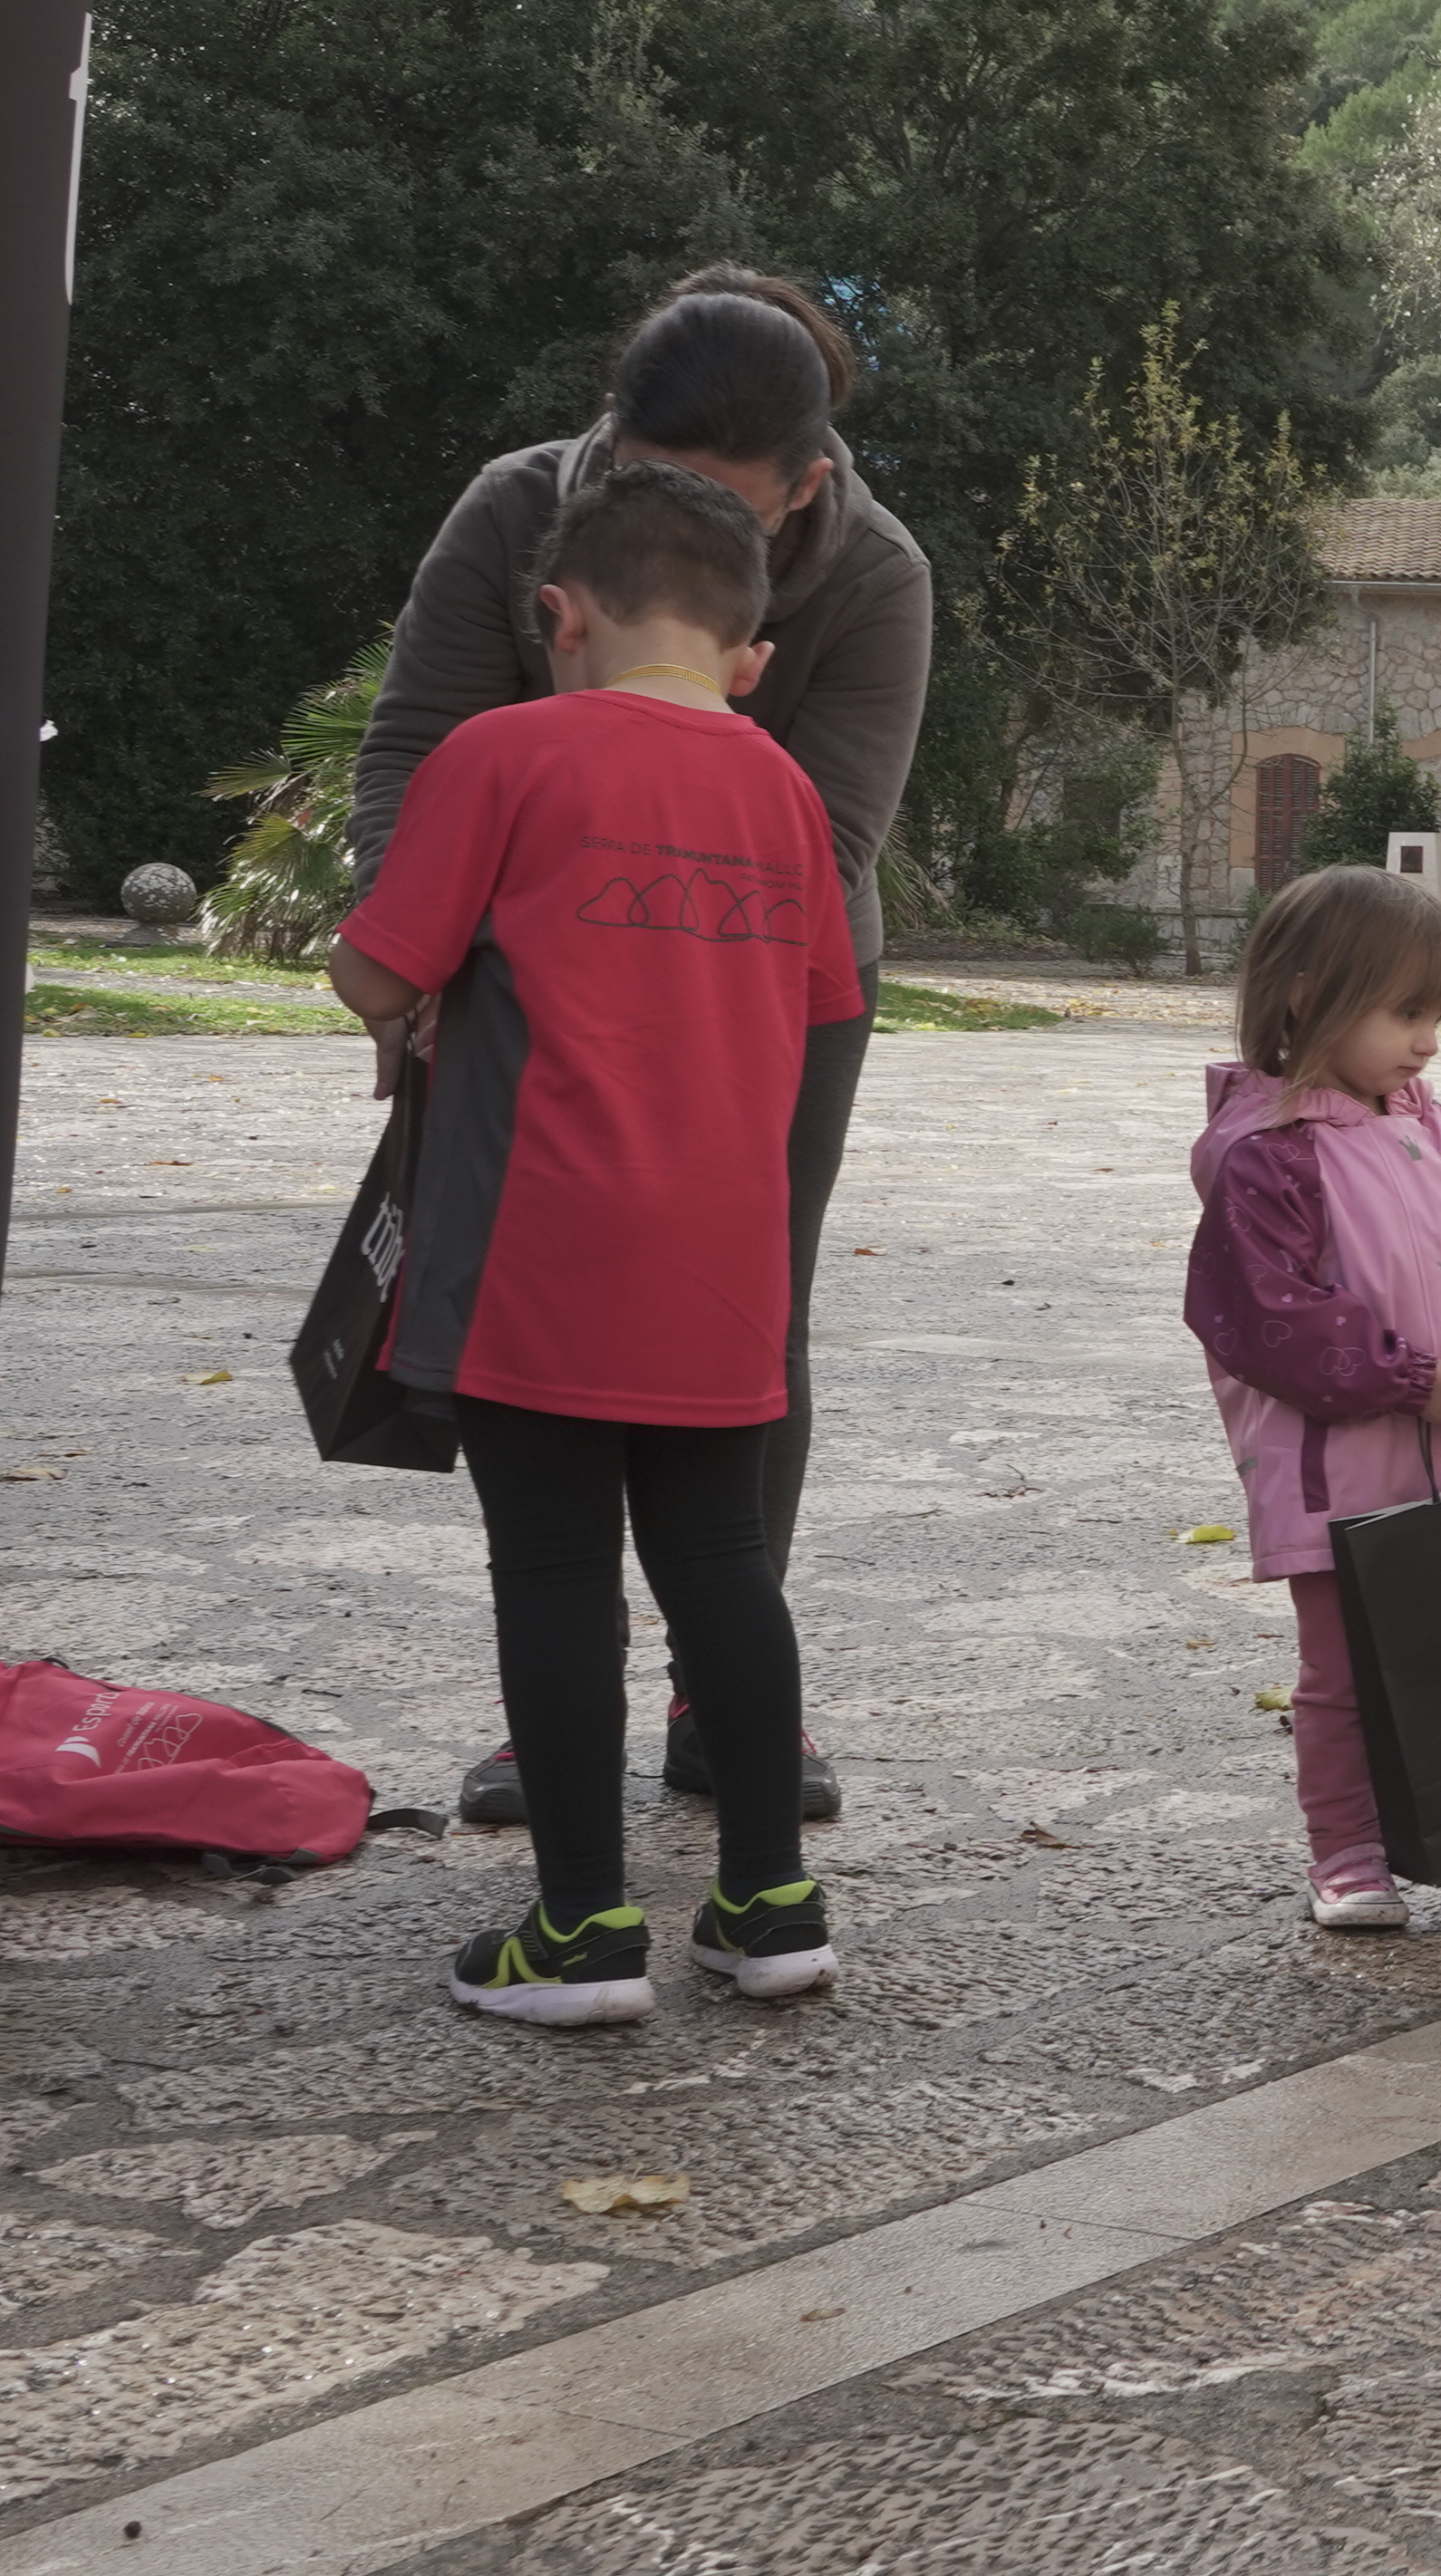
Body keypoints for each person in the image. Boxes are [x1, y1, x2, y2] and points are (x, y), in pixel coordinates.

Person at [363, 269, 933, 1830]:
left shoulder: (878, 574)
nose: (672, 536)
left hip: (776, 987)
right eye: (643, 488)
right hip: (515, 973)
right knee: (529, 1326)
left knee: (747, 1319)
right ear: (608, 433)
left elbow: (831, 836)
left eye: (724, 518)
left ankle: (714, 1704)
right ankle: (557, 1712)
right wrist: (413, 964)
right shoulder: (508, 514)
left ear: (805, 493)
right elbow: (418, 748)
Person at [325, 464, 863, 2027]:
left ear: (559, 615)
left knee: (554, 1571)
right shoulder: (785, 791)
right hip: (725, 1261)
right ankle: (768, 1905)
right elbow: (823, 1005)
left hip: (538, 1252)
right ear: (747, 655)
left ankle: (580, 1930)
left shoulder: (505, 752)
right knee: (723, 1573)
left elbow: (375, 974)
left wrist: (424, 994)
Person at [1184, 867, 1441, 1927]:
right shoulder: (1264, 1155)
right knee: (1344, 1664)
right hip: (1342, 1465)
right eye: (1408, 1013)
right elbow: (1273, 1318)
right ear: (1311, 996)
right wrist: (1413, 1380)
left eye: (1439, 1016)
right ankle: (1349, 1848)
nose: (1430, 1042)